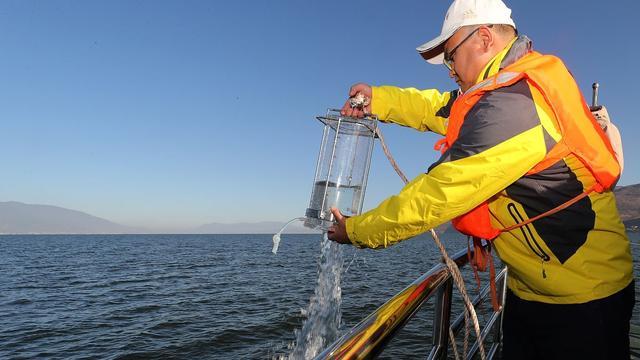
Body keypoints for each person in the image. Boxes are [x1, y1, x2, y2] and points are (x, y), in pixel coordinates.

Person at [327, 0, 634, 358]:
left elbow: (438, 193)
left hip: (584, 301)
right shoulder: (501, 89)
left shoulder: (514, 104)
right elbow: (437, 107)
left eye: (451, 56)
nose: (450, 70)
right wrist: (377, 99)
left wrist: (356, 230)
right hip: (531, 291)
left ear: (484, 39)